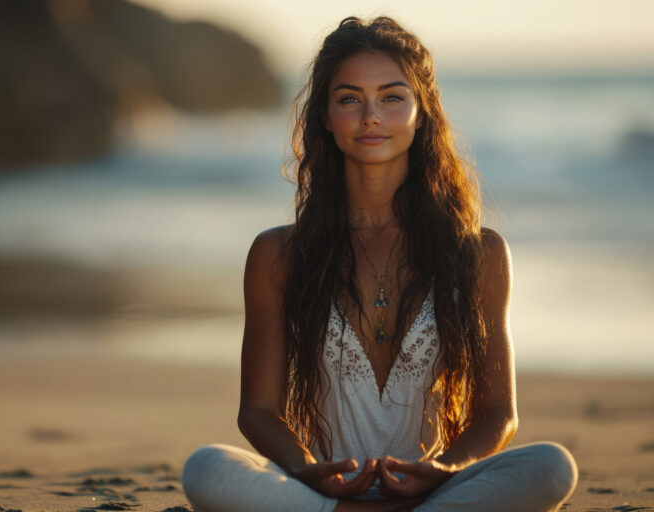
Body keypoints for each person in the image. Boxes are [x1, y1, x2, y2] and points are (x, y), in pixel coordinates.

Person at [181, 16, 577, 512]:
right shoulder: (279, 254)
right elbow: (258, 412)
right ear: (326, 115)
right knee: (207, 468)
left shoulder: (478, 254)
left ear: (421, 112)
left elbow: (499, 412)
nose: (371, 115)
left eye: (392, 97)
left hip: (434, 490)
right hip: (318, 492)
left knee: (552, 465)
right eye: (349, 98)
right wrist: (308, 471)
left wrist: (442, 471)